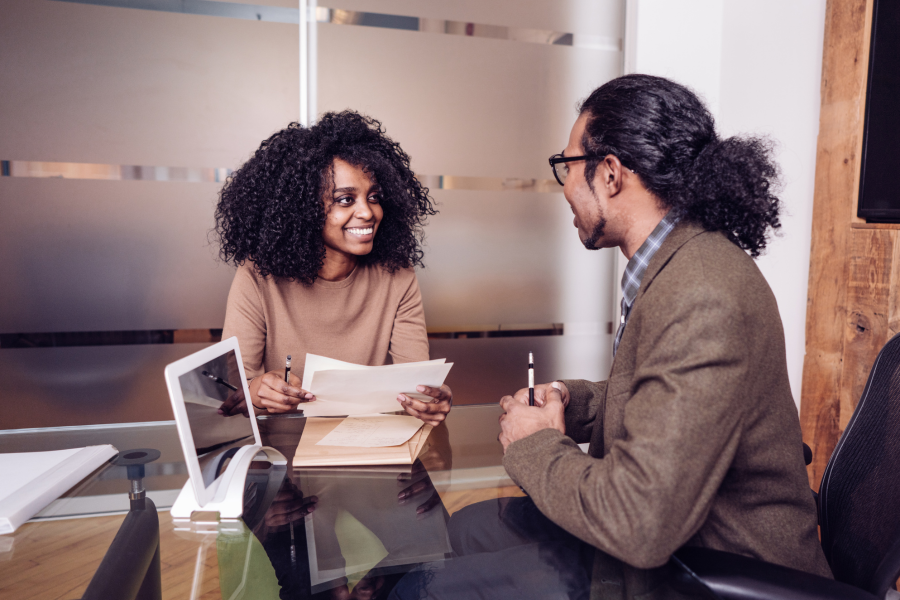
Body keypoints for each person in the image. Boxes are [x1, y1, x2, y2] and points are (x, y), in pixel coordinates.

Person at [391, 74, 832, 599]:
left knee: (425, 590)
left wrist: (537, 444)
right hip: (673, 536)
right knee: (459, 530)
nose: (564, 187)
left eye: (567, 166)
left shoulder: (703, 293)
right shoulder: (675, 262)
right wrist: (572, 402)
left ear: (611, 174)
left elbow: (639, 525)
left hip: (706, 567)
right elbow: (666, 401)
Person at [214, 111, 451, 425]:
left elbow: (416, 384)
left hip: (366, 448)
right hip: (280, 453)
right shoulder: (257, 277)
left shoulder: (397, 275)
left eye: (374, 197)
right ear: (303, 209)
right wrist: (256, 391)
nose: (367, 212)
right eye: (345, 199)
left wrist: (430, 400)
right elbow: (228, 395)